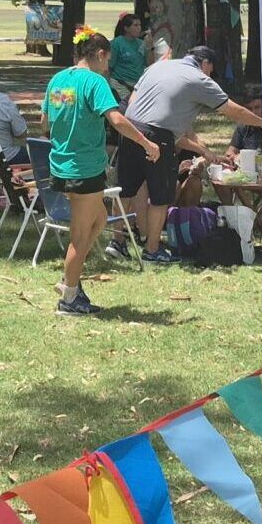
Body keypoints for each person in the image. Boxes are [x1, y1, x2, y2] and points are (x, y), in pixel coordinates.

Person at [46, 32, 160, 315]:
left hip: (62, 164)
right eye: (107, 60)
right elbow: (117, 119)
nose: (107, 67)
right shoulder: (95, 81)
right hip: (83, 167)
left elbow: (44, 121)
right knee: (81, 234)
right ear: (99, 54)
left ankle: (69, 280)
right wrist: (145, 143)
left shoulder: (59, 80)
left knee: (98, 220)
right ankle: (69, 297)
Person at [120, 46, 262, 263]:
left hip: (130, 129)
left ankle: (118, 242)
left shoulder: (158, 66)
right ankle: (152, 249)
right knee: (161, 197)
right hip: (159, 138)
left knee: (126, 190)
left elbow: (133, 104)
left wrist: (204, 150)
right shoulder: (198, 79)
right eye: (211, 71)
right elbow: (232, 110)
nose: (209, 76)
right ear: (205, 64)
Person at [108, 14, 149, 97]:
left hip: (137, 84)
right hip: (120, 83)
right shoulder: (117, 43)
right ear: (126, 28)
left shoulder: (141, 43)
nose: (139, 28)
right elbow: (109, 66)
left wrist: (151, 47)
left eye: (140, 25)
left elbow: (149, 64)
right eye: (135, 25)